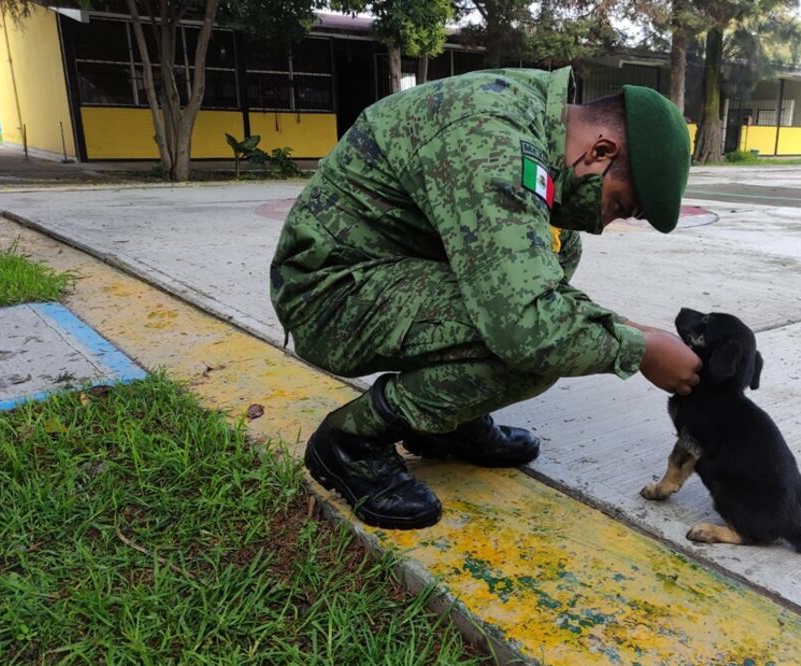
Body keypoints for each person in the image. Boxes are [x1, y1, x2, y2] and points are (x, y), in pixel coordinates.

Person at [270, 66, 700, 529]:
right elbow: (528, 324)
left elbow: (535, 285)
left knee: (559, 248)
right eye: (616, 204)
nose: (603, 221)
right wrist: (640, 350)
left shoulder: (535, 115)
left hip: (384, 270)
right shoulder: (496, 140)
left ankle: (446, 424)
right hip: (329, 296)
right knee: (535, 349)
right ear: (600, 151)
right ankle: (349, 442)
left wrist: (636, 329)